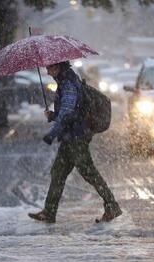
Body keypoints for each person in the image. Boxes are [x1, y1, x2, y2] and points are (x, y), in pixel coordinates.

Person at [28, 61, 122, 223]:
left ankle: (112, 205)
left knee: (89, 173)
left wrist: (52, 133)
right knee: (58, 173)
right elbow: (67, 113)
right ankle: (49, 212)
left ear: (58, 67)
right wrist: (53, 116)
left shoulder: (69, 85)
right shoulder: (66, 82)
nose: (48, 71)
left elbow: (67, 113)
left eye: (50, 68)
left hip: (76, 138)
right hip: (69, 137)